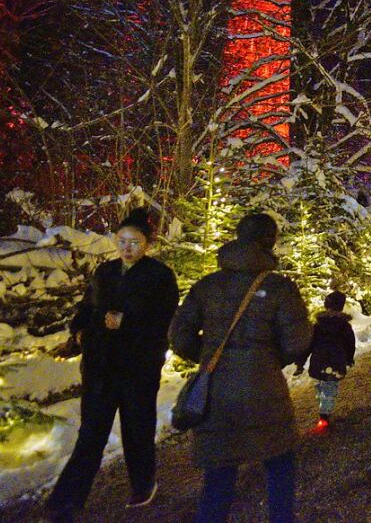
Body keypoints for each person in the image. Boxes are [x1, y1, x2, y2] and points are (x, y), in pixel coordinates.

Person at [169, 212, 311, 523]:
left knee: (219, 475)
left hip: (217, 390)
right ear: (270, 242)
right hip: (265, 388)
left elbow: (179, 336)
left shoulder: (207, 286)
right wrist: (271, 359)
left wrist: (208, 357)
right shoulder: (279, 287)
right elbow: (298, 340)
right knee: (279, 464)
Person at [45, 208, 179, 523]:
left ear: (147, 243)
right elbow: (87, 305)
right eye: (121, 241)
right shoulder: (104, 272)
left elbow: (167, 321)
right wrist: (78, 330)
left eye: (135, 241)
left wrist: (128, 320)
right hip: (100, 368)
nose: (127, 247)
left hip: (138, 369)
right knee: (91, 433)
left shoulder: (159, 276)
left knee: (137, 430)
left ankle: (143, 484)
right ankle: (66, 500)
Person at [296, 290, 356, 434]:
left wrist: (300, 363)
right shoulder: (345, 327)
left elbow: (308, 346)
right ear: (341, 307)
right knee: (331, 387)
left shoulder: (317, 326)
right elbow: (350, 345)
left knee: (320, 385)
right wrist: (349, 359)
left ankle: (323, 407)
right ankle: (325, 415)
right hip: (336, 363)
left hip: (319, 362)